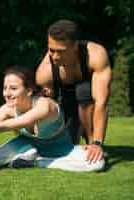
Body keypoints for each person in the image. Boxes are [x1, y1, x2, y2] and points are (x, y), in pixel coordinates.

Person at [35, 19, 112, 163]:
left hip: (88, 98)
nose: (55, 57)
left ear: (75, 46)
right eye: (51, 50)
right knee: (68, 145)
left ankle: (91, 142)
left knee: (83, 90)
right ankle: (74, 134)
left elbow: (102, 101)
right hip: (65, 99)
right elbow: (46, 109)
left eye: (61, 51)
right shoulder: (45, 72)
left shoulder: (96, 55)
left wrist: (97, 143)